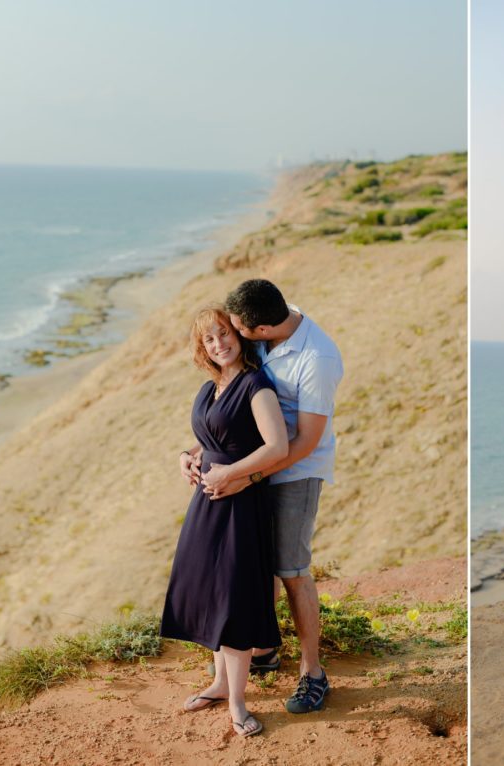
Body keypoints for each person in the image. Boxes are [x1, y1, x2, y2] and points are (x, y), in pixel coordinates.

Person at [196, 279, 343, 715]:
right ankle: (263, 649)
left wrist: (248, 474)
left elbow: (306, 442)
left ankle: (312, 672)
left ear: (261, 330)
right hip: (252, 468)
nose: (232, 337)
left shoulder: (317, 359)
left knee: (290, 569)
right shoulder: (270, 319)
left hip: (295, 471)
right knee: (253, 563)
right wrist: (199, 453)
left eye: (239, 330)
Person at [162, 306, 289, 738]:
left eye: (223, 334)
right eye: (209, 340)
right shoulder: (210, 387)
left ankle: (238, 702)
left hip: (240, 502)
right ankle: (218, 684)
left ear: (239, 335)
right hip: (206, 502)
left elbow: (277, 448)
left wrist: (233, 475)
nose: (219, 344)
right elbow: (211, 441)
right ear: (203, 349)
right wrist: (187, 457)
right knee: (209, 592)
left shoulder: (257, 386)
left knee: (233, 600)